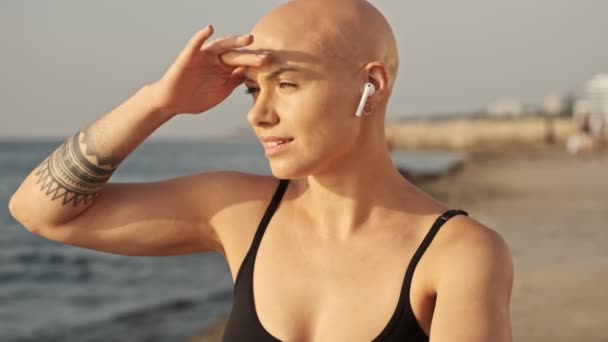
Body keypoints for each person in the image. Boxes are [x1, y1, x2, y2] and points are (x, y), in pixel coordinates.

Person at [8, 0, 513, 341]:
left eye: (287, 84)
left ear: (372, 86)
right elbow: (40, 212)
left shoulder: (459, 254)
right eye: (253, 89)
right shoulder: (240, 213)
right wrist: (158, 102)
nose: (257, 113)